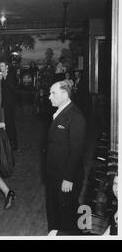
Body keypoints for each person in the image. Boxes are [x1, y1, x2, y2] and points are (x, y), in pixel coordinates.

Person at [46, 81, 86, 234]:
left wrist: (68, 177)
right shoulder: (60, 112)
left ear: (65, 94)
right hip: (54, 172)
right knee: (54, 209)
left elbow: (77, 150)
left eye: (53, 93)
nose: (49, 97)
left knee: (67, 217)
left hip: (66, 175)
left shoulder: (76, 116)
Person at [0, 61, 20, 153]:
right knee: (6, 123)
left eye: (2, 66)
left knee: (10, 123)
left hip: (10, 103)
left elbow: (13, 87)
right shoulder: (1, 76)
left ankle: (14, 145)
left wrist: (5, 77)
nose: (1, 67)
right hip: (4, 103)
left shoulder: (11, 75)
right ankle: (8, 143)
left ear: (7, 66)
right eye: (0, 66)